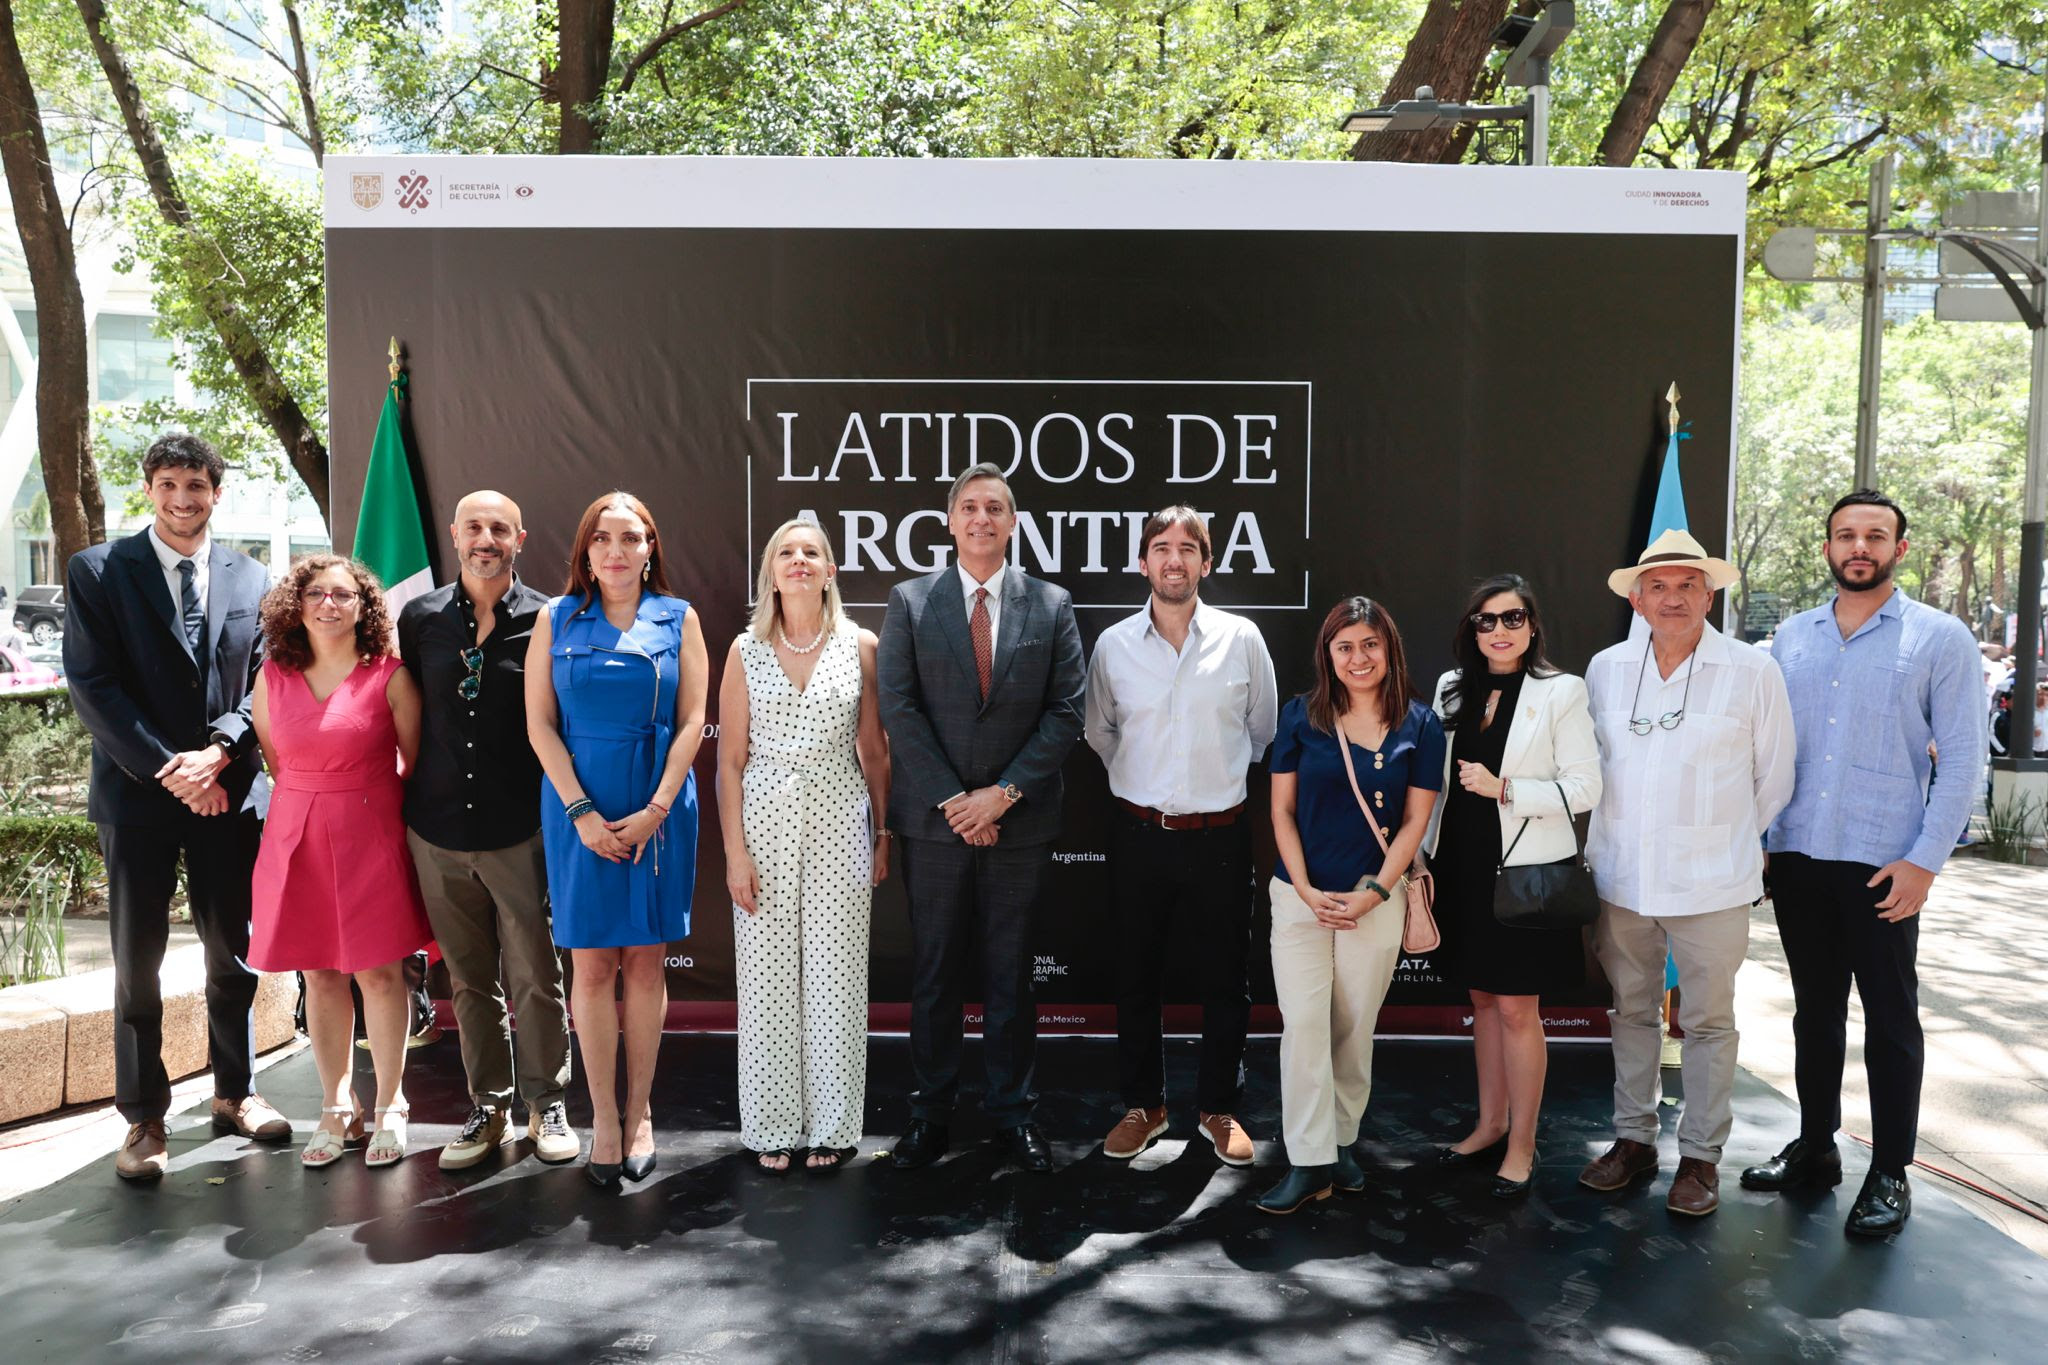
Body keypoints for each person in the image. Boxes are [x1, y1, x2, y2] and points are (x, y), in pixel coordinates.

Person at [1745, 490, 1985, 1237]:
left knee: (1890, 1017)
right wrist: (1760, 836)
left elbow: (1967, 758)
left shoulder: (1940, 639)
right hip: (1797, 856)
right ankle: (1817, 1146)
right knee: (1814, 1010)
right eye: (1845, 535)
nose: (1859, 546)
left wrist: (1925, 862)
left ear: (1899, 550)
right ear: (1826, 548)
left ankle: (1891, 1169)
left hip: (1885, 866)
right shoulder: (1791, 637)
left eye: (1874, 536)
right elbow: (1770, 747)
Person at [63, 432, 288, 1181]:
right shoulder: (98, 570)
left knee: (235, 950)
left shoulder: (253, 574)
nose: (183, 498)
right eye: (168, 484)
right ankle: (143, 1117)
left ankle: (235, 1091)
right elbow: (95, 690)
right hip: (137, 798)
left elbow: (265, 683)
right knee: (139, 962)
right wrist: (172, 768)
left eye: (197, 485)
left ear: (216, 492)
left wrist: (221, 752)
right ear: (149, 488)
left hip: (229, 792)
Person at [1578, 530, 1795, 1217]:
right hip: (1621, 878)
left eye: (1687, 585)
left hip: (1712, 882)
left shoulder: (1752, 671)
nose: (1673, 598)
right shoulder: (1606, 668)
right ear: (1637, 599)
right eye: (1659, 587)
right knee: (1632, 1012)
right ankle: (1632, 1138)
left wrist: (1715, 836)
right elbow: (1591, 772)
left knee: (1707, 1021)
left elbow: (1776, 778)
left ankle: (1700, 1155)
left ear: (1711, 592)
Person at [877, 462, 1086, 1173]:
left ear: (1013, 522)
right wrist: (957, 802)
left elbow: (1065, 713)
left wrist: (1002, 795)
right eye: (969, 507)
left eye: (994, 507)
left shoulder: (1052, 604)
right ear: (950, 520)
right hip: (936, 825)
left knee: (1011, 977)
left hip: (1019, 822)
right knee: (935, 974)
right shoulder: (908, 601)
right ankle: (929, 1116)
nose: (981, 519)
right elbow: (898, 710)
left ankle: (1012, 1115)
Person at [1083, 505, 1276, 1166]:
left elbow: (1261, 732)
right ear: (1143, 562)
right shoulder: (1112, 645)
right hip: (1139, 834)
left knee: (1227, 980)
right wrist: (1142, 784)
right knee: (1135, 974)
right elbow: (1100, 732)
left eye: (1186, 548)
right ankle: (1145, 1105)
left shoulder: (1243, 639)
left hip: (1220, 835)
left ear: (1206, 560)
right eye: (1160, 547)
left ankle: (1218, 1108)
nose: (1173, 559)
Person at [526, 491, 707, 1187]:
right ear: (585, 550)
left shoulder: (679, 617)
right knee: (594, 967)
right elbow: (540, 723)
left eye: (630, 537)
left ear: (650, 547)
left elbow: (693, 719)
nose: (615, 550)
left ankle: (640, 1113)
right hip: (581, 811)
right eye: (602, 538)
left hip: (658, 808)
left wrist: (660, 806)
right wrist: (580, 811)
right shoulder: (556, 617)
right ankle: (603, 1117)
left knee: (645, 963)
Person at [398, 491, 579, 1171]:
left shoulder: (550, 618)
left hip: (519, 826)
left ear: (520, 537)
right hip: (436, 828)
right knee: (469, 980)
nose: (486, 537)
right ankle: (488, 1105)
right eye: (474, 526)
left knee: (535, 971)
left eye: (499, 527)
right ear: (454, 534)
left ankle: (546, 1101)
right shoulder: (418, 619)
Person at [717, 518, 891, 1174]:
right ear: (771, 571)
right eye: (786, 552)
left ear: (830, 570)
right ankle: (771, 1125)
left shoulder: (861, 645)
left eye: (810, 552)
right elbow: (730, 760)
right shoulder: (745, 649)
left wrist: (882, 832)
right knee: (765, 979)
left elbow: (875, 751)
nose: (798, 560)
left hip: (840, 820)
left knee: (835, 977)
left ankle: (834, 1124)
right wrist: (735, 851)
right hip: (761, 823)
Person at [1261, 596, 1445, 1214]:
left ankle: (1341, 1141)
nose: (1358, 657)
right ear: (1328, 654)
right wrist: (1307, 888)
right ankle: (1308, 1160)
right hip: (1300, 899)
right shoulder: (1299, 717)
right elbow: (1281, 811)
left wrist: (1373, 894)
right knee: (1305, 1026)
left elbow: (1418, 820)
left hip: (1377, 899)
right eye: (1345, 646)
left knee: (1352, 1026)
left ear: (1388, 648)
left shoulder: (1421, 725)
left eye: (1370, 644)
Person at [249, 556, 433, 1167]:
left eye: (344, 594)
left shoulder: (391, 675)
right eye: (316, 593)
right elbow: (278, 763)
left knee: (380, 975)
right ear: (296, 605)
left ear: (365, 606)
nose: (329, 604)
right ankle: (335, 1106)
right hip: (296, 835)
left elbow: (415, 762)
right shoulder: (273, 675)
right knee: (320, 975)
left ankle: (390, 1105)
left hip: (371, 835)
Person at [1424, 574, 1601, 1200]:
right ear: (1471, 629)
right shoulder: (1453, 688)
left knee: (1517, 1009)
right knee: (1480, 1001)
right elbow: (1440, 785)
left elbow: (1585, 789)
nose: (1500, 630)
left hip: (1523, 872)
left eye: (1513, 617)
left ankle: (1522, 1145)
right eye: (1486, 620)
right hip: (1461, 867)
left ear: (1532, 624)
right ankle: (1489, 1124)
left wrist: (1504, 788)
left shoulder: (1561, 692)